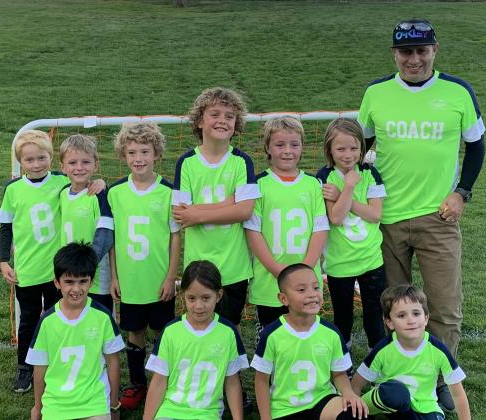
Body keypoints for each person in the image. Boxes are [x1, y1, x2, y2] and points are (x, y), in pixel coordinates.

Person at [357, 18, 485, 409]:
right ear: (395, 53)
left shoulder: (458, 91)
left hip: (438, 218)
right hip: (387, 219)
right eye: (406, 52)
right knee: (390, 304)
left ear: (435, 50)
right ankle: (395, 372)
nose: (414, 59)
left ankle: (440, 379)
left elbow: (476, 149)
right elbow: (357, 149)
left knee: (443, 306)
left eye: (421, 50)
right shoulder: (376, 93)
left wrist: (461, 193)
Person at [0, 130, 104, 393]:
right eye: (29, 160)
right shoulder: (13, 189)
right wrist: (3, 260)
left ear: (51, 159)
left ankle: (57, 362)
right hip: (28, 269)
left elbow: (83, 183)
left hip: (58, 271)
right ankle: (24, 367)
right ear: (21, 162)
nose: (36, 164)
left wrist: (99, 182)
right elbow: (6, 227)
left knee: (58, 318)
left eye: (41, 158)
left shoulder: (60, 182)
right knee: (29, 318)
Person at [172, 87, 260, 329]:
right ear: (200, 120)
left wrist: (197, 213)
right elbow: (181, 214)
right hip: (197, 267)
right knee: (199, 328)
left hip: (234, 268)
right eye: (215, 114)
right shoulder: (187, 163)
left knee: (229, 331)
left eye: (229, 116)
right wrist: (228, 204)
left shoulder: (242, 161)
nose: (222, 120)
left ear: (236, 124)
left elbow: (244, 212)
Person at [107, 122, 181, 410]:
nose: (138, 158)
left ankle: (165, 383)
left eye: (145, 152)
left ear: (156, 154)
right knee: (134, 332)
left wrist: (171, 276)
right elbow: (112, 240)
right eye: (132, 152)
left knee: (164, 332)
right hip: (130, 280)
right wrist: (114, 276)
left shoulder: (168, 191)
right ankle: (138, 383)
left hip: (159, 278)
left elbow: (176, 237)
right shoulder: (115, 193)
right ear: (124, 156)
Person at [252, 263, 368, 420]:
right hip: (285, 408)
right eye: (301, 290)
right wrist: (266, 417)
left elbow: (339, 374)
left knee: (355, 415)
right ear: (283, 298)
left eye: (315, 287)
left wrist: (348, 392)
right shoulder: (272, 334)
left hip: (322, 401)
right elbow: (261, 380)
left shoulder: (331, 332)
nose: (312, 294)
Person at [245, 117, 329, 331]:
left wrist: (305, 270)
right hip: (269, 281)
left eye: (294, 144)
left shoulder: (313, 185)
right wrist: (278, 271)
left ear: (302, 147)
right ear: (267, 147)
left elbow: (320, 230)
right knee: (270, 336)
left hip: (307, 280)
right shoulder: (258, 185)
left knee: (306, 332)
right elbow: (253, 232)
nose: (287, 151)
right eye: (280, 145)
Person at [26, 242, 125, 420]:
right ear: (57, 283)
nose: (76, 289)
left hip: (94, 402)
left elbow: (113, 362)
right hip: (56, 404)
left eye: (83, 281)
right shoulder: (47, 321)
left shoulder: (102, 317)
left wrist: (113, 404)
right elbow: (40, 367)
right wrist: (38, 407)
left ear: (91, 282)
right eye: (69, 282)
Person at [143, 260, 248, 420]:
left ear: (218, 296)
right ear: (182, 295)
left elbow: (232, 382)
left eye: (206, 298)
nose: (198, 306)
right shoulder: (171, 331)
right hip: (170, 411)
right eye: (191, 298)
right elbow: (159, 381)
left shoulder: (228, 333)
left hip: (207, 414)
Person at [316, 118, 386, 352]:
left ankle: (377, 362)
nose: (348, 154)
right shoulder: (325, 176)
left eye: (354, 148)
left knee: (374, 317)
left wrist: (348, 193)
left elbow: (375, 214)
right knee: (342, 318)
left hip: (371, 260)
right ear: (329, 150)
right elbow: (335, 218)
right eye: (341, 149)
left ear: (362, 149)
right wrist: (347, 187)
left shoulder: (370, 174)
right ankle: (342, 365)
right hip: (340, 263)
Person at [351, 285, 470, 420]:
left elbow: (458, 394)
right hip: (389, 403)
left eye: (416, 313)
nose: (411, 320)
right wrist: (354, 411)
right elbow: (356, 385)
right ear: (389, 322)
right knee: (397, 393)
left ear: (426, 318)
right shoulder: (383, 349)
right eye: (401, 315)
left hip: (425, 407)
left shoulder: (438, 350)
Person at [59, 134, 115, 311]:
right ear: (63, 167)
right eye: (72, 163)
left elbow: (105, 234)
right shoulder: (62, 193)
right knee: (75, 316)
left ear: (96, 165)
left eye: (86, 162)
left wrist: (86, 265)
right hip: (69, 272)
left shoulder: (99, 195)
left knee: (99, 320)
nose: (79, 168)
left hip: (95, 277)